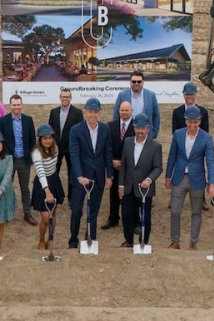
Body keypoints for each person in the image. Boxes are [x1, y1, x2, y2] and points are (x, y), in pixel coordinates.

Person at [165, 106, 214, 250]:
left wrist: (212, 183)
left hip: (197, 179)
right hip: (179, 177)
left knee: (196, 212)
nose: (192, 125)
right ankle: (175, 241)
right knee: (175, 210)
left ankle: (193, 242)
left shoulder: (206, 138)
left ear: (199, 121)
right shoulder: (178, 134)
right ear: (186, 121)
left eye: (195, 122)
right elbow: (171, 156)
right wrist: (168, 176)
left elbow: (210, 161)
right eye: (190, 122)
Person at [67, 98, 113, 249]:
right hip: (81, 178)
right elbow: (74, 154)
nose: (92, 115)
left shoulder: (105, 129)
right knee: (76, 210)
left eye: (95, 112)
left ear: (99, 113)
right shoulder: (76, 130)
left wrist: (109, 176)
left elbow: (108, 153)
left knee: (93, 210)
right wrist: (79, 176)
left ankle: (90, 239)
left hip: (98, 176)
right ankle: (73, 239)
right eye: (90, 112)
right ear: (85, 113)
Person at [117, 113, 162, 249]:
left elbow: (158, 168)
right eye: (138, 128)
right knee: (126, 214)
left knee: (145, 216)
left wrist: (149, 179)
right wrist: (121, 185)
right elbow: (123, 165)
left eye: (143, 128)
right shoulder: (128, 142)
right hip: (129, 186)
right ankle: (129, 240)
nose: (140, 131)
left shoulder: (155, 146)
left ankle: (144, 241)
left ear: (148, 129)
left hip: (145, 189)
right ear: (134, 128)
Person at [0, 94, 36, 225]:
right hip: (9, 160)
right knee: (7, 187)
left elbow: (33, 140)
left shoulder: (28, 120)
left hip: (24, 160)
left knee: (25, 188)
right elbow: (0, 141)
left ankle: (27, 213)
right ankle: (6, 214)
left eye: (18, 104)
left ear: (22, 105)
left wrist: (28, 154)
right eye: (14, 105)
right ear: (10, 105)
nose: (16, 107)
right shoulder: (3, 121)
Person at [31, 124, 65, 250]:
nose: (48, 141)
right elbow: (40, 172)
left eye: (50, 138)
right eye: (45, 138)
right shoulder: (36, 153)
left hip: (53, 179)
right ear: (40, 140)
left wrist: (52, 186)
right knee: (45, 218)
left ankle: (50, 239)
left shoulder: (55, 148)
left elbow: (54, 167)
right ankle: (41, 239)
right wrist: (47, 191)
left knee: (53, 213)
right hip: (42, 182)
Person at [103, 101, 134, 230]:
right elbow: (106, 147)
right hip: (114, 166)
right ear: (118, 111)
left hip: (130, 167)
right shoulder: (110, 126)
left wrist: (125, 163)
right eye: (122, 110)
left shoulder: (136, 127)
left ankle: (134, 220)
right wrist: (112, 161)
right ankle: (113, 218)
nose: (124, 113)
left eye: (127, 110)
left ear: (131, 111)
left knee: (131, 194)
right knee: (114, 193)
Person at [48, 87, 83, 185]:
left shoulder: (77, 113)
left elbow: (80, 132)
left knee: (72, 174)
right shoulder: (54, 112)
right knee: (53, 173)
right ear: (60, 97)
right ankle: (54, 197)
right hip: (56, 148)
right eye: (63, 97)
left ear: (70, 98)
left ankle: (72, 198)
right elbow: (50, 130)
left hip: (71, 148)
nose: (65, 99)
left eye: (67, 97)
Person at [112, 71, 161, 138]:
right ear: (130, 81)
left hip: (146, 134)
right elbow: (116, 115)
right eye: (134, 81)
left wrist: (154, 133)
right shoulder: (122, 95)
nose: (136, 83)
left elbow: (156, 116)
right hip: (127, 134)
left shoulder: (151, 95)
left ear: (143, 82)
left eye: (139, 82)